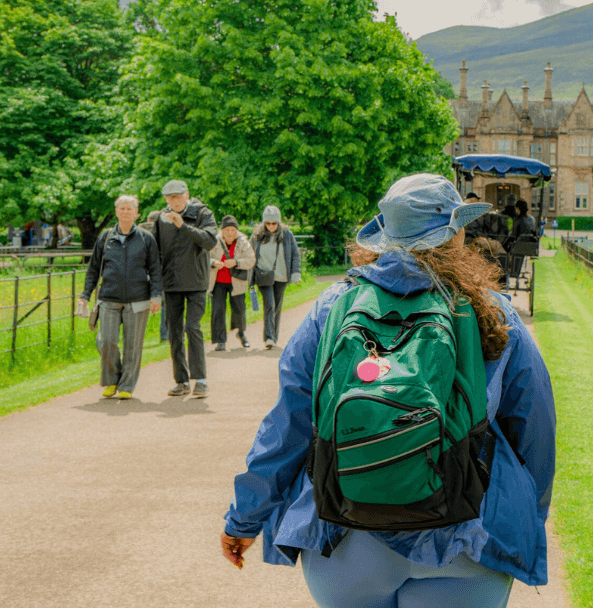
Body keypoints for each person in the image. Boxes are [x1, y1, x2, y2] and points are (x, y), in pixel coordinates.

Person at [219, 174, 556, 608]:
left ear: (385, 237)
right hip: (465, 531)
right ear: (454, 234)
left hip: (346, 532)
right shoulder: (492, 310)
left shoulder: (332, 307)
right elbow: (535, 429)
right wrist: (527, 519)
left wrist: (244, 519)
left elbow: (288, 426)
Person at [78, 195, 162, 400]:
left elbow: (155, 269)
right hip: (108, 298)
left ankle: (127, 385)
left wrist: (156, 296)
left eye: (129, 208)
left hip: (138, 300)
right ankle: (113, 379)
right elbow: (93, 269)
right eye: (121, 208)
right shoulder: (105, 237)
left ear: (136, 213)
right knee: (106, 341)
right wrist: (85, 295)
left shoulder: (146, 238)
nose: (125, 212)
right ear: (116, 212)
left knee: (133, 345)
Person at [154, 179, 217, 398]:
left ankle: (200, 379)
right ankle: (181, 381)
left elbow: (210, 241)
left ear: (187, 194)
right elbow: (156, 252)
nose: (175, 201)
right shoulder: (160, 219)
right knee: (174, 332)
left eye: (179, 196)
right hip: (171, 283)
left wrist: (183, 225)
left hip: (197, 281)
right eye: (171, 198)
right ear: (166, 199)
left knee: (192, 327)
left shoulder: (203, 213)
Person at [249, 205, 301, 349]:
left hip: (281, 277)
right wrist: (249, 278)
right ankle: (269, 338)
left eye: (274, 223)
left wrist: (296, 274)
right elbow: (250, 255)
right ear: (264, 223)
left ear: (278, 222)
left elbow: (295, 254)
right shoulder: (257, 235)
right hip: (263, 276)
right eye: (268, 223)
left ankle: (274, 337)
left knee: (277, 307)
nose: (271, 226)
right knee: (270, 305)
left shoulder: (287, 234)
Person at [208, 215, 256, 351]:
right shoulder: (214, 241)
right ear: (222, 230)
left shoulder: (243, 242)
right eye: (227, 230)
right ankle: (220, 340)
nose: (230, 233)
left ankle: (241, 333)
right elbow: (204, 256)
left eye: (233, 230)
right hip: (218, 282)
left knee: (239, 310)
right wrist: (213, 262)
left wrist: (236, 262)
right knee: (218, 310)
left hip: (237, 282)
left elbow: (251, 259)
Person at [139, 210, 169, 343]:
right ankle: (165, 334)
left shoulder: (140, 231)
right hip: (163, 272)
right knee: (165, 305)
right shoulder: (166, 232)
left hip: (144, 273)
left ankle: (138, 335)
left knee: (141, 306)